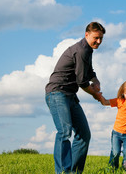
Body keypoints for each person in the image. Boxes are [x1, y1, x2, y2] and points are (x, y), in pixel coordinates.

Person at [45, 22, 106, 174]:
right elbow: (81, 82)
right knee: (64, 132)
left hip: (70, 95)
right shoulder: (80, 50)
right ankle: (63, 171)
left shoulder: (88, 50)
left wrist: (96, 80)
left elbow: (89, 71)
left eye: (101, 39)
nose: (98, 42)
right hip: (57, 93)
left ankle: (74, 171)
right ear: (87, 35)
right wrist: (96, 95)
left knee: (84, 134)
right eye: (96, 38)